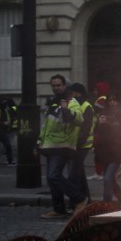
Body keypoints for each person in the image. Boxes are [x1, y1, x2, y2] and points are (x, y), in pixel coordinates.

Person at [38, 75, 87, 219]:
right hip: (49, 145)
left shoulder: (71, 102)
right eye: (53, 85)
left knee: (54, 175)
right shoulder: (52, 103)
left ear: (65, 86)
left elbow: (79, 119)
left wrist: (66, 109)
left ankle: (79, 198)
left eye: (58, 85)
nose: (56, 88)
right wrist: (38, 144)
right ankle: (59, 209)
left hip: (63, 145)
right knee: (50, 179)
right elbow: (46, 126)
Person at [93, 91, 121, 204]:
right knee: (111, 180)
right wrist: (100, 124)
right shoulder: (104, 113)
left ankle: (105, 205)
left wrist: (113, 124)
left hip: (117, 153)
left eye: (115, 100)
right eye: (110, 100)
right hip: (104, 152)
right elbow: (97, 132)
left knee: (107, 179)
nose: (113, 103)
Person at [66, 83, 95, 204]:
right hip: (76, 143)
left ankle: (77, 202)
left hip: (82, 145)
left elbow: (85, 128)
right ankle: (87, 201)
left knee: (74, 175)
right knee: (80, 174)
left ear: (80, 93)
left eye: (73, 93)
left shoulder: (86, 106)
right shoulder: (76, 105)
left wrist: (76, 143)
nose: (71, 96)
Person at [0, 97, 16, 166]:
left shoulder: (6, 111)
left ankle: (10, 161)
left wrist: (8, 124)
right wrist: (3, 123)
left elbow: (9, 118)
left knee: (8, 145)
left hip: (3, 131)